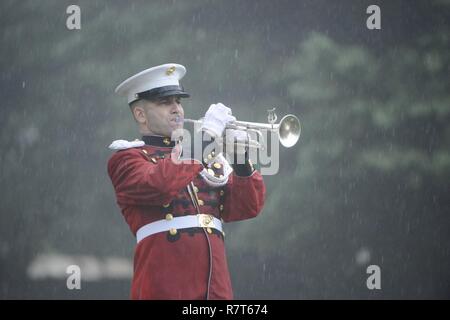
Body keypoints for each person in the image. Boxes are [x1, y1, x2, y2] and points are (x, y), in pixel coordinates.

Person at [107, 63, 265, 300]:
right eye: (164, 103)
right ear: (140, 114)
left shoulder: (202, 156)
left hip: (217, 290)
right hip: (165, 288)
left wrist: (241, 158)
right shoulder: (127, 158)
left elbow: (245, 207)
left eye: (178, 101)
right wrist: (207, 137)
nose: (176, 109)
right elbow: (160, 185)